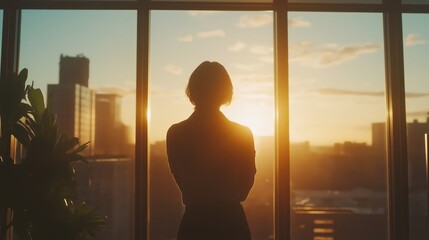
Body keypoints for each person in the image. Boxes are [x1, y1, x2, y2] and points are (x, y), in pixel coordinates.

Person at [166, 61, 256, 240]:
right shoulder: (242, 133)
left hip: (195, 222)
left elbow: (180, 178)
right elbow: (246, 182)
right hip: (232, 224)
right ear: (225, 92)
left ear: (193, 91)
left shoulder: (176, 133)